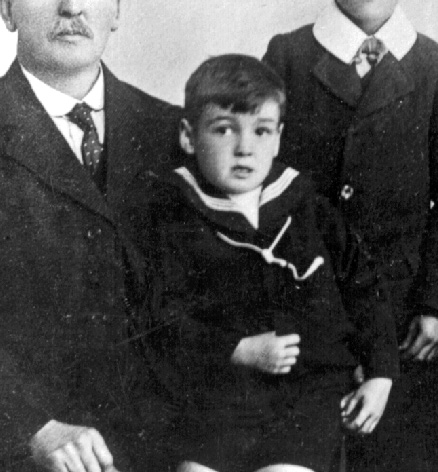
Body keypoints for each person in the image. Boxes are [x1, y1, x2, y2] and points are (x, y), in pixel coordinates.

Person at [0, 0, 182, 471]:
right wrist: (34, 427)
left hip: (174, 438)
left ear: (117, 8)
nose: (73, 6)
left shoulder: (173, 131)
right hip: (41, 448)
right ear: (7, 8)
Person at [261, 0, 438, 471]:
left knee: (394, 450)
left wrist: (437, 304)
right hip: (307, 294)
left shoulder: (436, 69)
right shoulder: (287, 57)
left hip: (401, 307)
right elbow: (260, 180)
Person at [140, 55, 399, 472]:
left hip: (306, 402)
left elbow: (364, 290)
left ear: (278, 138)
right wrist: (236, 350)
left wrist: (381, 373)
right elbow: (161, 317)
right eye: (224, 129)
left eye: (261, 131)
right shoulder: (175, 218)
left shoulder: (311, 211)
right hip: (217, 401)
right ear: (189, 137)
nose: (244, 147)